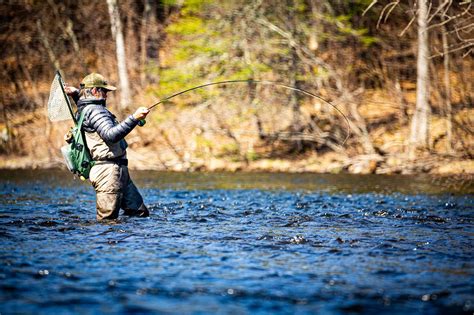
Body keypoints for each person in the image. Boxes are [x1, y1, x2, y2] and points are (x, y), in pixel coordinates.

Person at [65, 73, 150, 220]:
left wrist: (76, 94)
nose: (106, 95)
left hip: (117, 171)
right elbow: (111, 135)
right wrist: (134, 118)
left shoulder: (88, 109)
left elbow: (85, 103)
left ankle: (130, 241)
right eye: (104, 91)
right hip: (108, 173)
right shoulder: (96, 110)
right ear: (94, 91)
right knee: (107, 222)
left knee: (139, 213)